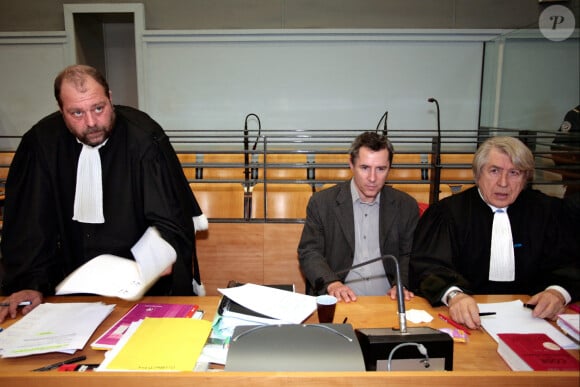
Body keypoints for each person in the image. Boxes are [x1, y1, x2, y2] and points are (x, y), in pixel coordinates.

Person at [0, 65, 207, 323]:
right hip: (66, 291)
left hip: (143, 293)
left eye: (99, 108)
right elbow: (29, 226)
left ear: (110, 97)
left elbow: (170, 216)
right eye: (76, 112)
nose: (91, 122)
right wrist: (30, 281)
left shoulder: (142, 137)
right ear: (60, 109)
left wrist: (163, 252)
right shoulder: (41, 143)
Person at [410, 136, 579, 330]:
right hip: (464, 318)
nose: (503, 182)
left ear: (525, 178)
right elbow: (428, 266)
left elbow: (571, 263)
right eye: (494, 171)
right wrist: (454, 296)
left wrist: (558, 293)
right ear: (478, 174)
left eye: (514, 173)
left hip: (536, 319)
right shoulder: (448, 213)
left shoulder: (548, 212)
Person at [298, 131, 419, 303]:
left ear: (389, 168)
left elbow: (410, 254)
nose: (372, 178)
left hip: (389, 302)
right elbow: (309, 252)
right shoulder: (322, 203)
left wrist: (402, 284)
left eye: (381, 169)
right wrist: (332, 284)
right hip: (341, 301)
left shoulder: (406, 205)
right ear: (351, 164)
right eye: (365, 168)